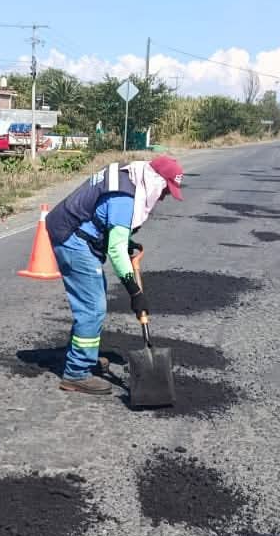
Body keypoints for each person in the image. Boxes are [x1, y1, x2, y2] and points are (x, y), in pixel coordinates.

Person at [45, 155, 184, 395]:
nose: (163, 196)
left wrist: (123, 239)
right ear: (155, 180)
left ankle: (83, 357)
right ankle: (76, 373)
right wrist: (135, 292)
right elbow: (116, 251)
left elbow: (104, 217)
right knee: (93, 307)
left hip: (76, 230)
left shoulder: (130, 175)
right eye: (165, 190)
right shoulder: (125, 199)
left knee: (92, 302)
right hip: (73, 238)